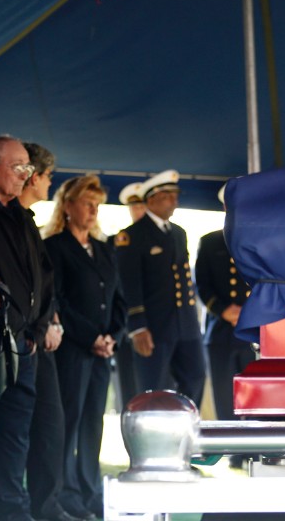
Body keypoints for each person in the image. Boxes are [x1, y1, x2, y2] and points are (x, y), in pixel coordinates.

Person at [0, 136, 56, 521]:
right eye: (18, 166)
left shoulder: (22, 216)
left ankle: (11, 510)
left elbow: (43, 277)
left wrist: (38, 330)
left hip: (26, 345)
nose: (26, 174)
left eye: (29, 167)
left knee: (16, 435)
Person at [44, 175, 128, 520]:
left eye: (97, 204)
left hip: (102, 351)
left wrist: (113, 337)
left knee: (94, 421)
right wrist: (90, 336)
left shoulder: (105, 248)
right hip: (74, 350)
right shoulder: (55, 246)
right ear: (68, 206)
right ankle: (65, 493)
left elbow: (119, 299)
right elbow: (57, 299)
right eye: (87, 203)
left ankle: (91, 489)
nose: (94, 210)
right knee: (70, 420)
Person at [114, 169, 206, 405]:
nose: (174, 201)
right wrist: (137, 326)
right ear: (152, 199)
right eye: (168, 196)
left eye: (175, 195)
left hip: (185, 323)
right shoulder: (131, 236)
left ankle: (185, 430)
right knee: (152, 388)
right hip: (154, 326)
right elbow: (128, 283)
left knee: (195, 377)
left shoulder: (178, 233)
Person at [18, 142, 73, 521]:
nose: (50, 183)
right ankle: (21, 506)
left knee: (52, 427)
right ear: (33, 176)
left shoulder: (28, 222)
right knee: (18, 433)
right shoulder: (9, 219)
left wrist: (51, 321)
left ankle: (47, 505)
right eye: (49, 176)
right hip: (22, 340)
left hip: (42, 337)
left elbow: (45, 285)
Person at [194, 184, 255, 468]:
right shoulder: (209, 242)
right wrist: (222, 310)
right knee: (224, 393)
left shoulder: (258, 239)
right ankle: (232, 449)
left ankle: (252, 447)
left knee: (253, 394)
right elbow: (202, 284)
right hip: (220, 330)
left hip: (252, 331)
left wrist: (250, 311)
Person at [113, 181, 146, 411]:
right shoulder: (124, 239)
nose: (138, 211)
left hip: (157, 326)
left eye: (142, 205)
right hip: (128, 325)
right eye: (134, 207)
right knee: (130, 388)